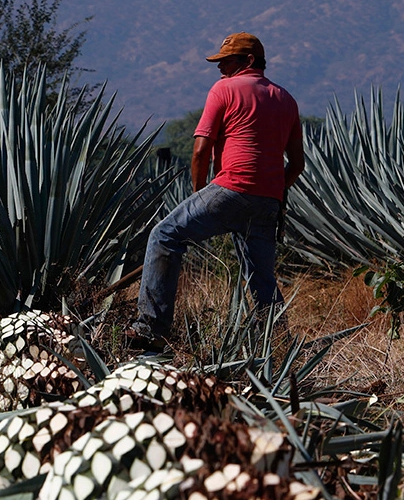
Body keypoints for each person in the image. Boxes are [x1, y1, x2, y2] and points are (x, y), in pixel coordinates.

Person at [126, 32, 304, 352]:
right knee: (260, 276)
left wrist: (199, 195)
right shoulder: (286, 99)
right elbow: (297, 164)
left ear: (248, 61)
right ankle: (277, 345)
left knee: (165, 236)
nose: (220, 69)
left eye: (226, 62)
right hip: (268, 201)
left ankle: (150, 328)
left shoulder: (224, 90)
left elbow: (200, 151)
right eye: (218, 64)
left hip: (231, 186)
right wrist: (272, 189)